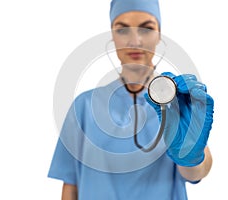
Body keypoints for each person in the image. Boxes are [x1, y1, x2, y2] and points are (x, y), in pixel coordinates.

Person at [48, 0, 214, 199]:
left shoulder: (176, 103)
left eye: (146, 28)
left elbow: (196, 173)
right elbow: (71, 187)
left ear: (159, 34)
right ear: (112, 35)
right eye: (123, 29)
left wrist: (189, 157)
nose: (135, 41)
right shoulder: (83, 107)